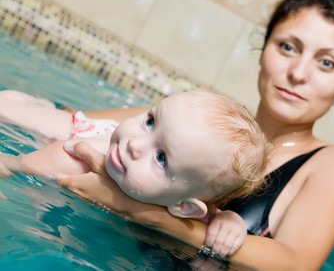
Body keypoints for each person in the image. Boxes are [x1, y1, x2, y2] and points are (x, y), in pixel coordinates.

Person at [55, 0, 334, 270]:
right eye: (287, 47)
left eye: (327, 63)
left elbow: (296, 265)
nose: (298, 73)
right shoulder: (198, 124)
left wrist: (145, 214)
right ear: (263, 50)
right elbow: (70, 122)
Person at [0, 90, 270, 257]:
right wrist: (11, 167)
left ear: (183, 207)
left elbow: (210, 215)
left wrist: (229, 222)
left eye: (161, 158)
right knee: (8, 107)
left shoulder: (192, 208)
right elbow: (19, 163)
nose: (135, 143)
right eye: (150, 121)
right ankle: (34, 103)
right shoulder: (79, 158)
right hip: (81, 133)